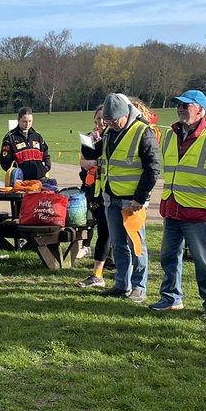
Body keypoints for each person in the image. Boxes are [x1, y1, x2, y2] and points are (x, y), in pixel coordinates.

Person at [152, 90, 206, 320]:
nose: (180, 109)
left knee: (203, 260)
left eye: (185, 106)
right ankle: (171, 297)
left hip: (197, 211)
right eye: (178, 105)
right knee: (168, 256)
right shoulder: (170, 135)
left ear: (200, 110)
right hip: (172, 207)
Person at [98, 93, 162, 301]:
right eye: (109, 121)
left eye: (115, 121)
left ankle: (139, 286)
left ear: (126, 114)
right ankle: (121, 284)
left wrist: (140, 198)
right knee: (118, 244)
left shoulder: (144, 132)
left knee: (136, 245)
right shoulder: (110, 131)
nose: (112, 125)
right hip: (111, 197)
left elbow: (152, 169)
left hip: (133, 201)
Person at [78, 107, 113, 287]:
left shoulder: (113, 136)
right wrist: (91, 160)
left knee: (110, 232)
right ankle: (98, 272)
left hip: (112, 189)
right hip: (94, 188)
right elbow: (84, 161)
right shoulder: (88, 137)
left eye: (104, 119)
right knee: (100, 228)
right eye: (98, 119)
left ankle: (113, 266)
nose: (100, 123)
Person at [0, 107, 51, 183]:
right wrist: (16, 174)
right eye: (24, 121)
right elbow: (5, 161)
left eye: (30, 121)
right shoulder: (10, 138)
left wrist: (46, 167)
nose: (27, 124)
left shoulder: (37, 136)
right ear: (18, 120)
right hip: (21, 182)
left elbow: (46, 153)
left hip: (39, 179)